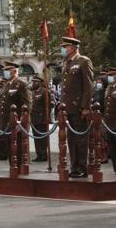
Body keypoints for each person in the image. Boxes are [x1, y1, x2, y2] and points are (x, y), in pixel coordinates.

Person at [59, 36, 94, 178]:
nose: (63, 49)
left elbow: (88, 85)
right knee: (71, 140)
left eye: (65, 47)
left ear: (72, 48)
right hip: (68, 108)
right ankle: (74, 166)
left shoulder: (84, 61)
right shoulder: (65, 63)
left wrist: (85, 106)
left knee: (81, 139)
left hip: (79, 107)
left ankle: (82, 167)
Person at [1, 61, 32, 167]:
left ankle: (19, 169)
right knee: (10, 147)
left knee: (18, 147)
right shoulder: (7, 85)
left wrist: (21, 121)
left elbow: (27, 104)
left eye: (7, 70)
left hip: (17, 122)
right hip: (8, 122)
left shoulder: (21, 84)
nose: (5, 72)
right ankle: (13, 168)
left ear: (14, 71)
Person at [30, 75, 50, 162]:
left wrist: (46, 118)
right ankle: (39, 154)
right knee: (36, 138)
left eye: (35, 82)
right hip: (34, 118)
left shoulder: (44, 92)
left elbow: (47, 106)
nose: (33, 83)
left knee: (42, 138)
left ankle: (44, 154)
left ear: (39, 83)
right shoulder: (33, 93)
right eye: (33, 82)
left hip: (42, 118)